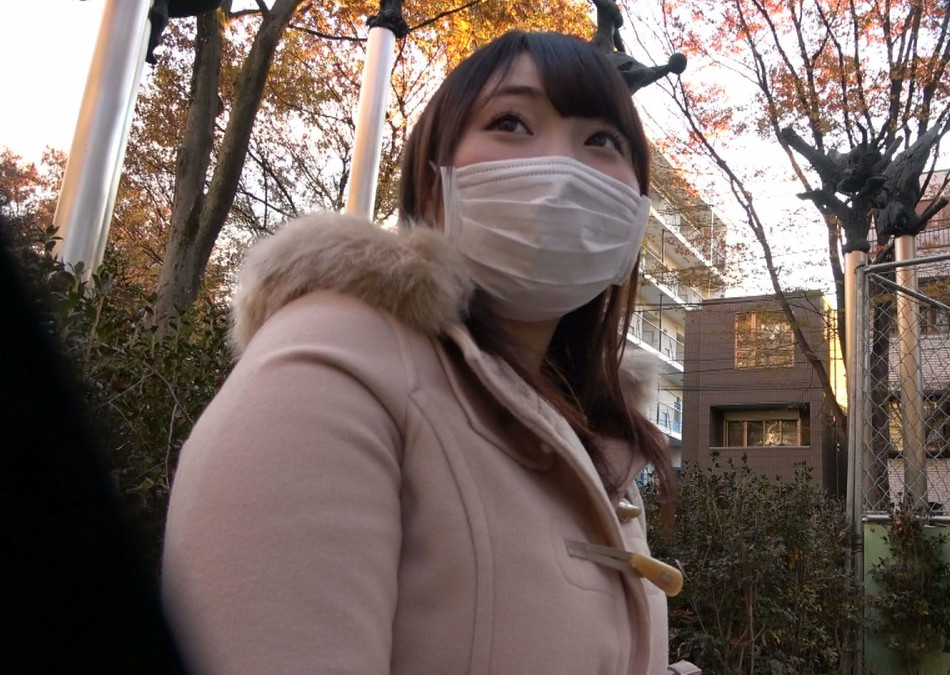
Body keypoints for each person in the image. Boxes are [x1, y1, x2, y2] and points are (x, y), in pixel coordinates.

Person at [161, 30, 698, 674]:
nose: (564, 172)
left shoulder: (594, 429)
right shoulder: (332, 363)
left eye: (603, 141)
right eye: (510, 122)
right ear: (432, 180)